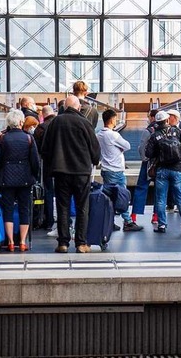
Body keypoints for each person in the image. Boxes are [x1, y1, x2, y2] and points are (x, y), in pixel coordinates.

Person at [41, 96, 101, 254]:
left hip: (61, 172)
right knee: (82, 207)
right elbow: (95, 149)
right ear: (78, 107)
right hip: (81, 172)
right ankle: (81, 243)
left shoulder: (55, 122)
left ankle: (63, 243)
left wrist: (52, 164)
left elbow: (45, 149)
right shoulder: (85, 123)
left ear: (65, 107)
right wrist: (94, 160)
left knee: (63, 208)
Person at [0, 110, 39, 251]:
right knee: (24, 209)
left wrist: (0, 171)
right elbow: (35, 161)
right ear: (22, 122)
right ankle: (22, 242)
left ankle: (10, 241)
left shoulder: (3, 139)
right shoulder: (29, 138)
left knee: (8, 210)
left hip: (6, 179)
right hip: (25, 178)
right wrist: (33, 175)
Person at [145, 110, 181, 234]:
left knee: (161, 199)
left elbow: (148, 153)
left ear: (156, 122)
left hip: (162, 170)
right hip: (177, 169)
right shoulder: (176, 131)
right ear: (167, 120)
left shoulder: (154, 135)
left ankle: (162, 225)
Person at [97, 109, 143, 232]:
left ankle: (109, 221)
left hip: (106, 169)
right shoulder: (113, 135)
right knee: (122, 196)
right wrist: (120, 148)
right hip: (116, 171)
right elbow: (127, 145)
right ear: (112, 120)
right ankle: (127, 222)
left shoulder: (99, 134)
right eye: (115, 119)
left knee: (109, 197)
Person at [130, 109, 158, 224]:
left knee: (141, 187)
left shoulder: (148, 130)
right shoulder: (166, 130)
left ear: (152, 117)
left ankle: (134, 216)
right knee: (159, 190)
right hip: (161, 165)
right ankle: (156, 216)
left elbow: (142, 147)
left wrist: (145, 159)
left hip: (148, 164)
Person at [34, 105, 56, 231]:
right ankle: (66, 220)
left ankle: (49, 221)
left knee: (48, 191)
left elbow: (38, 149)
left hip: (47, 163)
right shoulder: (60, 124)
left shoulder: (41, 128)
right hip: (63, 163)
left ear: (43, 115)